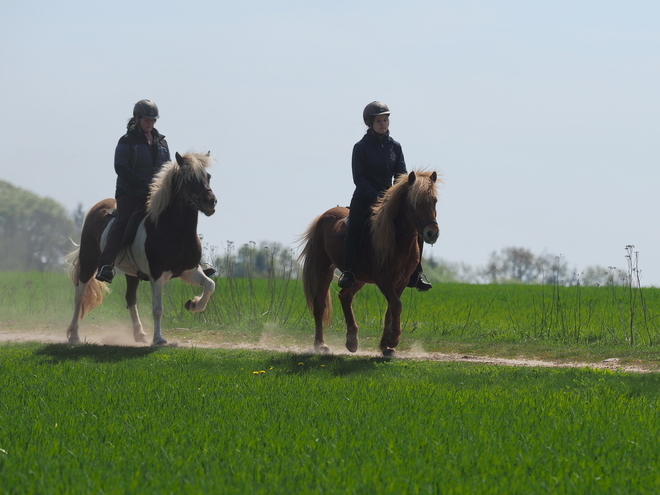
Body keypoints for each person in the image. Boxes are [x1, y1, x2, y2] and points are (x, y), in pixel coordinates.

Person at [337, 101, 432, 291]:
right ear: (370, 123)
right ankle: (348, 272)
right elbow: (359, 178)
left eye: (385, 120)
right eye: (379, 121)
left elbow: (401, 176)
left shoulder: (394, 147)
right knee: (355, 227)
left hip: (389, 199)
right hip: (364, 198)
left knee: (416, 226)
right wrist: (376, 196)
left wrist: (395, 195)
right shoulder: (360, 147)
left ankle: (417, 273)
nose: (383, 124)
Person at [95, 99, 171, 283]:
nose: (150, 122)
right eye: (146, 119)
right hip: (129, 192)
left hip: (156, 194)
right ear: (137, 118)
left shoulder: (162, 142)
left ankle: (196, 261)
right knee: (123, 222)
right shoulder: (127, 141)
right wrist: (141, 186)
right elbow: (120, 167)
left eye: (153, 119)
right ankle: (106, 265)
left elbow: (168, 168)